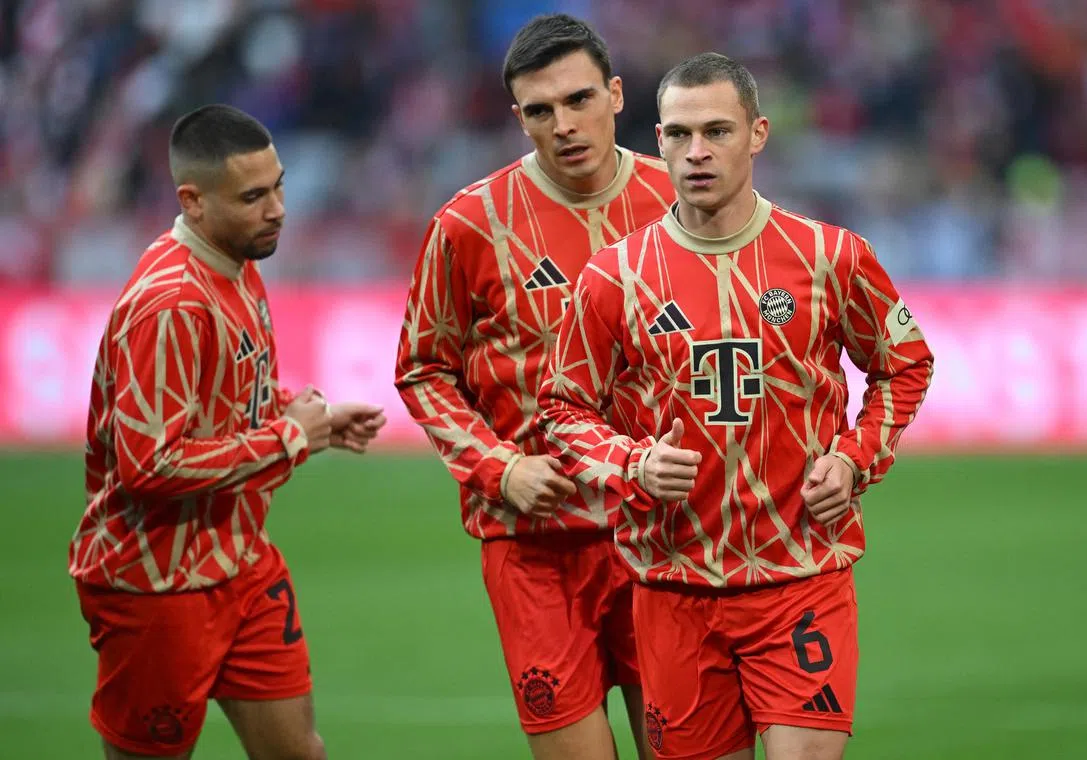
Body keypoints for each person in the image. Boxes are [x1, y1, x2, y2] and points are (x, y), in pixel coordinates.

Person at [538, 53, 935, 760]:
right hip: (673, 588)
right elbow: (562, 408)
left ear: (757, 134)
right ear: (658, 141)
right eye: (680, 134)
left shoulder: (831, 256)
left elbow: (904, 364)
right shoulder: (614, 277)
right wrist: (632, 464)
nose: (697, 151)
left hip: (801, 577)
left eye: (717, 131)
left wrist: (855, 459)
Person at [394, 13, 675, 760]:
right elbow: (422, 369)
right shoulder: (468, 225)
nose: (565, 125)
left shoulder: (681, 201)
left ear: (617, 95)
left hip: (660, 536)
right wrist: (500, 468)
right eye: (541, 110)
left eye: (580, 99)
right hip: (533, 547)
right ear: (519, 119)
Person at [68, 103, 386, 760]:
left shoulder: (238, 261)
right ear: (193, 201)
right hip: (156, 585)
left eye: (277, 187)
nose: (277, 209)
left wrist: (310, 418)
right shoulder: (171, 304)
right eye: (252, 196)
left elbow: (233, 397)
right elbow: (149, 466)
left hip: (241, 561)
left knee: (300, 754)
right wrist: (288, 439)